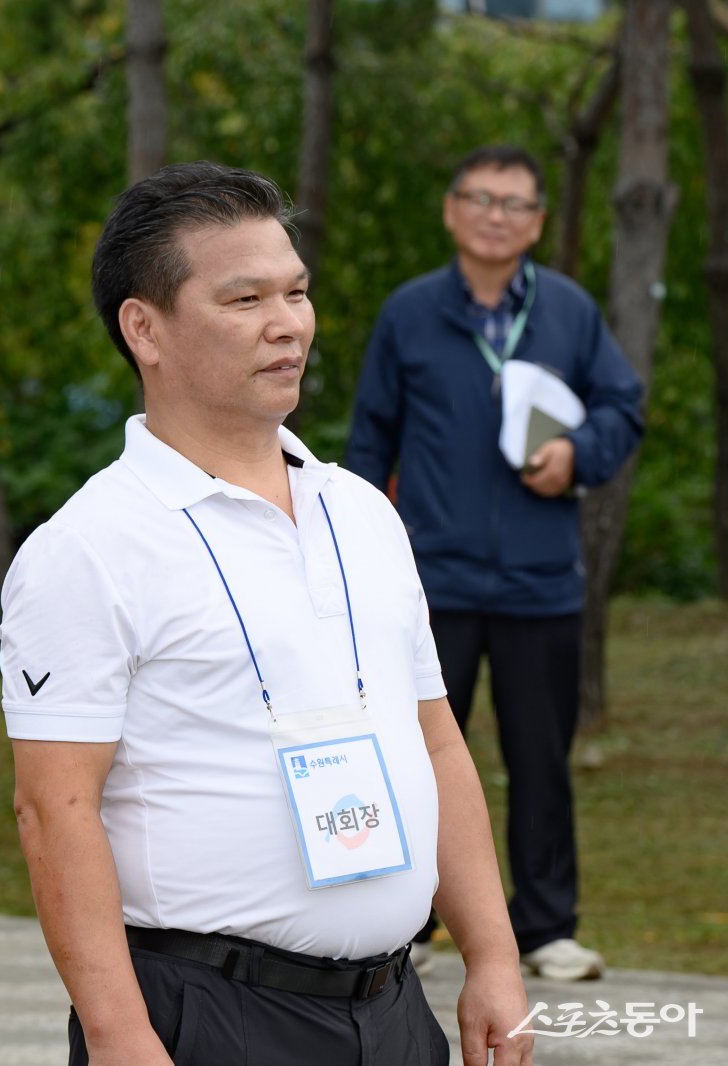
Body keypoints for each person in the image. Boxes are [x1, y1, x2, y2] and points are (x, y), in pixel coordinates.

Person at [0, 162, 532, 1066]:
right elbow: (55, 810)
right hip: (209, 1016)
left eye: (296, 292)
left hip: (395, 1009)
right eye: (245, 299)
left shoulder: (362, 510)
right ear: (145, 328)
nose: (288, 324)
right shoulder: (87, 546)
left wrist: (493, 957)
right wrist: (122, 1038)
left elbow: (438, 742)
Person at [347, 145, 644, 983]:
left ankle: (547, 927)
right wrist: (361, 554)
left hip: (538, 582)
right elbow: (370, 438)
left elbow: (623, 406)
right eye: (479, 197)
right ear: (451, 210)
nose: (495, 214)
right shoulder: (409, 314)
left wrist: (578, 456)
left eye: (514, 203)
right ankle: (404, 923)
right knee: (410, 756)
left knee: (539, 758)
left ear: (537, 223)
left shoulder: (570, 314)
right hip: (428, 585)